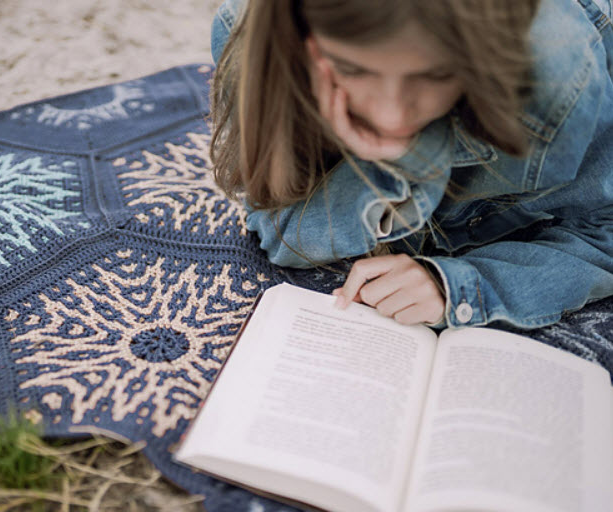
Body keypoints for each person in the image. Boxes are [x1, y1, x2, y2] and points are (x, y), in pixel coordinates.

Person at [209, 0, 613, 329]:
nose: (391, 116)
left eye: (435, 75)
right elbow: (281, 233)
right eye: (353, 69)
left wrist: (463, 285)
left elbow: (604, 235)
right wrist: (395, 160)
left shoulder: (559, 83)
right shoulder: (252, 41)